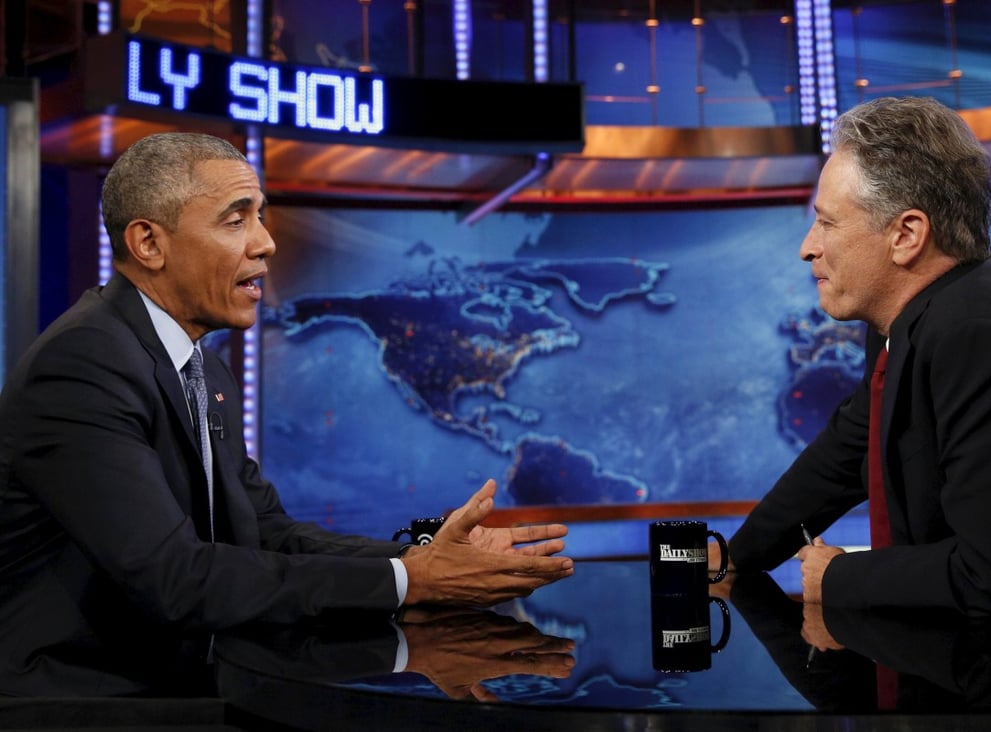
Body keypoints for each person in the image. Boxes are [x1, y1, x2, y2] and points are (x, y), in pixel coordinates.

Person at [0, 132, 574, 684]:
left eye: (261, 216)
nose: (265, 242)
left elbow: (266, 532)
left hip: (188, 679)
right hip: (87, 702)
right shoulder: (82, 365)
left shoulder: (202, 368)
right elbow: (175, 581)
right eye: (235, 219)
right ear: (149, 244)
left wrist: (425, 558)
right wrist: (411, 580)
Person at [724, 96, 991, 617]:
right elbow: (847, 451)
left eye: (827, 224)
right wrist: (732, 558)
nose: (807, 247)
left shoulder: (980, 335)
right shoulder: (920, 315)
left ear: (906, 235)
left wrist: (839, 575)